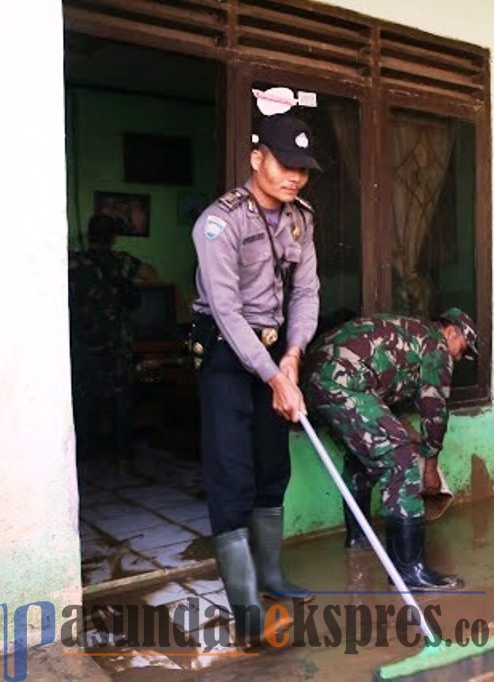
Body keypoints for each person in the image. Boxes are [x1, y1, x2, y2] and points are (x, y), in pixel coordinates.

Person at [190, 113, 322, 643]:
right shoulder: (219, 222)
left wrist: (292, 356)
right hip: (226, 353)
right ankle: (246, 609)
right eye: (285, 164)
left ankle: (271, 576)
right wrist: (273, 376)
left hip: (274, 349)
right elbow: (225, 309)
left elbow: (306, 293)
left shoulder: (302, 219)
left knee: (273, 465)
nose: (294, 177)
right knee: (232, 472)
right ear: (256, 158)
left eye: (303, 170)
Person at [302, 308, 478, 590]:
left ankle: (358, 537)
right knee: (401, 460)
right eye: (462, 350)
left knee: (364, 457)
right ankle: (411, 571)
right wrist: (429, 468)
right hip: (342, 380)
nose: (458, 357)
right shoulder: (436, 346)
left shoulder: (411, 332)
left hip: (314, 377)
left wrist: (407, 432)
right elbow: (435, 413)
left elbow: (382, 388)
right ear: (451, 331)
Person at [69, 213, 158, 463]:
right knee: (121, 396)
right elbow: (152, 275)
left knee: (85, 396)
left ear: (89, 234)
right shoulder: (122, 261)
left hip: (84, 340)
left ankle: (85, 452)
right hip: (117, 341)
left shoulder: (76, 263)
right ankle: (123, 451)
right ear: (114, 237)